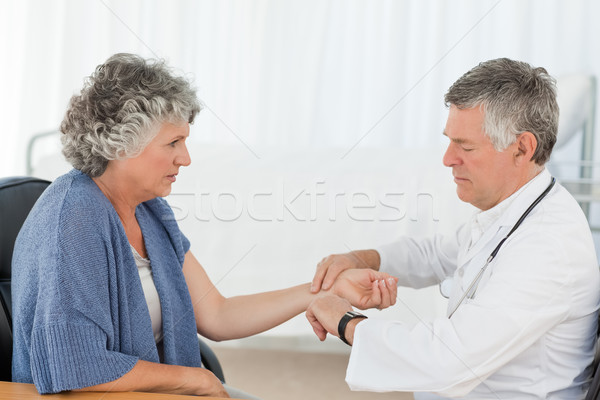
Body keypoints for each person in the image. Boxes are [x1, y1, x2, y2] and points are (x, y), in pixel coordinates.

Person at [11, 53, 398, 398]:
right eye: (173, 143)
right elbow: (76, 366)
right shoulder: (72, 219)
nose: (186, 158)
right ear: (121, 145)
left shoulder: (150, 213)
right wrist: (192, 379)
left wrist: (324, 290)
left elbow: (216, 313)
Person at [306, 58, 600, 399]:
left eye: (466, 145)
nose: (447, 158)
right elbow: (434, 254)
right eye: (450, 141)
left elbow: (448, 359)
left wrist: (345, 322)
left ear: (523, 147)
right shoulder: (514, 209)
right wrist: (361, 258)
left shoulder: (548, 246)